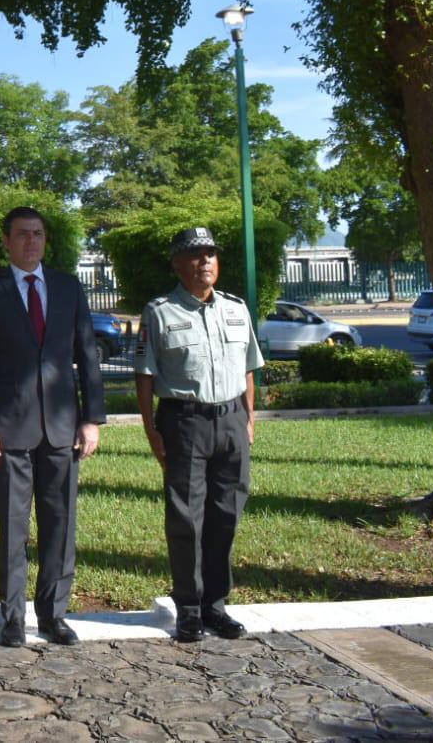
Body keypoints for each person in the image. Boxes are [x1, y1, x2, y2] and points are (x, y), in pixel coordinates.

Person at [0, 206, 105, 647]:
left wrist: (92, 418)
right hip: (9, 429)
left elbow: (88, 357)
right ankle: (12, 616)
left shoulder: (67, 288)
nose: (31, 241)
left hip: (63, 427)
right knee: (13, 525)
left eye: (39, 234)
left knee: (60, 523)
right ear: (6, 241)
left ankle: (54, 614)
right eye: (23, 234)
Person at [135, 226, 263, 642]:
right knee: (187, 518)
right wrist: (152, 431)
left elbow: (247, 367)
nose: (205, 261)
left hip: (231, 421)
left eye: (210, 254)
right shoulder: (159, 312)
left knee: (226, 514)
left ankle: (216, 606)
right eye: (195, 255)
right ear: (177, 263)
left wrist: (249, 419)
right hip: (184, 422)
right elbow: (145, 376)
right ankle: (189, 609)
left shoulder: (236, 309)